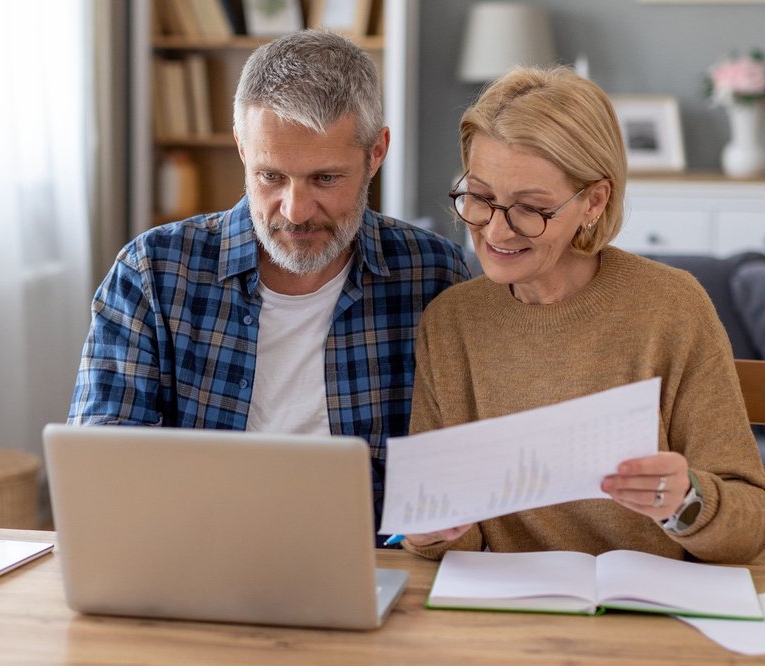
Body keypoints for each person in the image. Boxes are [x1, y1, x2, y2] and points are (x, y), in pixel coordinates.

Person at [69, 31, 469, 537]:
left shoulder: (433, 275)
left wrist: (435, 519)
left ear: (376, 153)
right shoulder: (152, 273)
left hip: (376, 560)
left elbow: (457, 461)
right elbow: (104, 464)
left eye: (325, 178)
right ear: (242, 149)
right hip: (196, 553)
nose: (295, 211)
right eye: (271, 177)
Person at [400, 66, 765, 565]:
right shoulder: (451, 322)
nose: (495, 231)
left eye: (529, 208)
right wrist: (431, 530)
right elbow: (455, 539)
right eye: (480, 197)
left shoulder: (671, 307)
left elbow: (750, 523)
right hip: (526, 602)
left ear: (593, 201)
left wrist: (685, 502)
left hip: (671, 598)